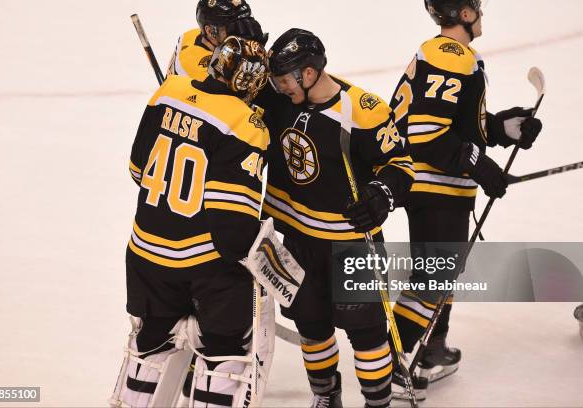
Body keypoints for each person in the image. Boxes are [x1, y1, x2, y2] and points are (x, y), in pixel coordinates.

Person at [388, 0, 543, 400]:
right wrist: (483, 167)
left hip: (435, 184)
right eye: (476, 6)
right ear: (466, 15)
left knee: (441, 272)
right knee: (433, 276)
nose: (481, 12)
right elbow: (427, 134)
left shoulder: (449, 56)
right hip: (432, 184)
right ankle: (391, 367)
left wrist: (506, 127)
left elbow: (460, 127)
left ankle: (432, 350)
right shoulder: (450, 55)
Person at [257, 28, 416, 408]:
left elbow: (400, 165)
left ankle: (377, 403)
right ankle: (326, 395)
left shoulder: (363, 110)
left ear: (308, 74)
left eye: (284, 80)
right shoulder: (278, 100)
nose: (278, 87)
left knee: (368, 335)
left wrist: (381, 196)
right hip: (294, 239)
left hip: (351, 245)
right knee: (311, 328)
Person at [111, 36, 272, 407]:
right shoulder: (245, 123)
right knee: (225, 351)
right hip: (202, 266)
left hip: (144, 255)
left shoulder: (169, 90)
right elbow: (233, 230)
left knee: (149, 343)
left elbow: (138, 168)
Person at [166, 0, 267, 80]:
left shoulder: (192, 34)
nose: (242, 32)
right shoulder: (202, 70)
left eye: (245, 22)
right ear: (210, 31)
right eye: (232, 28)